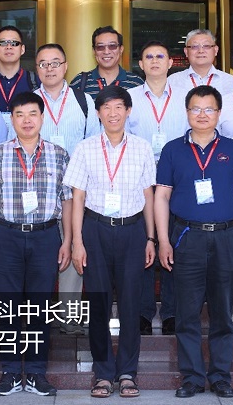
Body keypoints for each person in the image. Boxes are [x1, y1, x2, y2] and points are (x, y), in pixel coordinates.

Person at [155, 85, 233, 398]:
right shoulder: (172, 150)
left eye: (209, 109)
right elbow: (162, 197)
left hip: (226, 237)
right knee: (187, 312)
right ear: (187, 112)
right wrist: (163, 240)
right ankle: (192, 377)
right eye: (196, 109)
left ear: (219, 113)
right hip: (187, 236)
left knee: (223, 312)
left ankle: (221, 376)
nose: (202, 114)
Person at [0, 92, 73, 397]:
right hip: (6, 236)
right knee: (7, 308)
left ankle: (36, 372)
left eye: (32, 114)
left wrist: (68, 240)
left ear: (42, 118)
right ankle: (9, 373)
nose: (27, 120)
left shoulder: (59, 154)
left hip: (46, 236)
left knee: (39, 308)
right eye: (20, 114)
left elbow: (68, 202)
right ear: (12, 119)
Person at [63, 85, 157, 399]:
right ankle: (103, 373)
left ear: (128, 111)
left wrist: (151, 238)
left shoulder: (142, 147)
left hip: (132, 230)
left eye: (119, 107)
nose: (113, 113)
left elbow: (148, 196)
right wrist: (77, 242)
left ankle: (127, 373)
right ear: (98, 113)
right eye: (106, 108)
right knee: (99, 304)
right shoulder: (85, 148)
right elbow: (77, 198)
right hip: (96, 229)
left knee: (131, 304)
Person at [36, 43, 99, 335]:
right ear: (37, 68)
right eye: (43, 63)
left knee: (74, 248)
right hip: (37, 190)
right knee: (40, 254)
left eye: (55, 63)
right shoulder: (29, 102)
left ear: (65, 67)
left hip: (75, 189)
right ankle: (36, 317)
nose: (49, 68)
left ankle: (69, 318)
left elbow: (95, 144)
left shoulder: (84, 100)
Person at [126, 40, 188, 335]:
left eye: (160, 56)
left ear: (170, 62)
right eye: (148, 56)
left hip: (177, 180)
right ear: (140, 64)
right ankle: (143, 311)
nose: (154, 61)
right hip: (139, 181)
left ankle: (172, 312)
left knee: (173, 245)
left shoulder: (185, 96)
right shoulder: (129, 98)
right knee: (144, 245)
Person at [0, 25, 40, 114]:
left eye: (14, 43)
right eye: (3, 43)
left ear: (22, 49)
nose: (9, 47)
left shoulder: (36, 83)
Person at [70, 26, 145, 96]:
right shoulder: (80, 82)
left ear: (121, 49)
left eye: (112, 46)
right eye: (100, 47)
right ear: (94, 51)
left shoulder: (136, 83)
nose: (106, 52)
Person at [168, 29, 233, 98]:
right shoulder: (173, 81)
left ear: (215, 50)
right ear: (186, 52)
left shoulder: (230, 81)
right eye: (195, 46)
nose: (201, 51)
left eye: (206, 46)